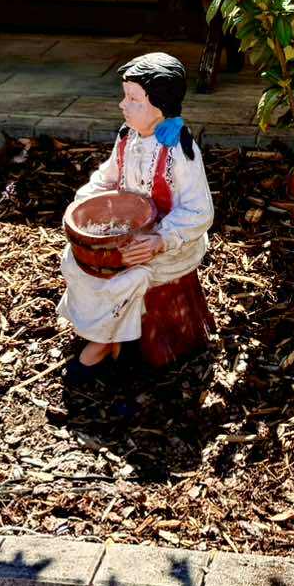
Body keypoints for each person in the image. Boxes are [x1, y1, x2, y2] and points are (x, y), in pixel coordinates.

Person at [57, 52, 216, 374]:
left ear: (160, 105)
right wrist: (84, 202)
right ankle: (100, 329)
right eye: (124, 96)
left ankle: (105, 342)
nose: (122, 104)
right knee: (75, 260)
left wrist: (161, 239)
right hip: (124, 231)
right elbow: (107, 177)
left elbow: (200, 211)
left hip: (168, 243)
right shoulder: (127, 136)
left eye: (133, 99)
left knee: (130, 277)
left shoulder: (180, 151)